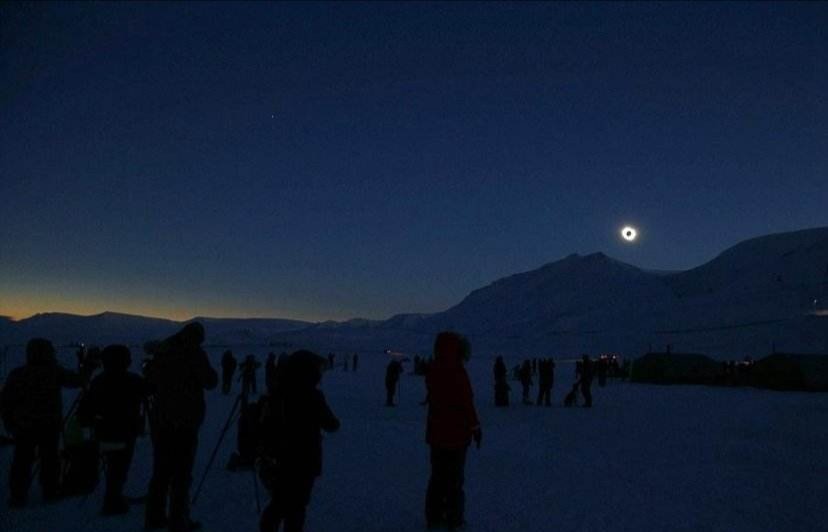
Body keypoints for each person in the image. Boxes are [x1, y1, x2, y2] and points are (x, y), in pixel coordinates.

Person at [144, 322, 217, 532]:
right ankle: (178, 522)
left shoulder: (163, 351)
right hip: (185, 421)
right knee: (182, 474)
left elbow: (150, 379)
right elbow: (210, 381)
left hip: (162, 420)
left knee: (161, 472)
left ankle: (154, 518)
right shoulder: (194, 354)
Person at [259, 350, 340, 532]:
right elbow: (331, 424)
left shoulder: (278, 392)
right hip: (304, 460)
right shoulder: (312, 396)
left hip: (280, 458)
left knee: (278, 503)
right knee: (296, 507)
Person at [1, 338, 84, 507]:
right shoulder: (54, 372)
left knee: (22, 461)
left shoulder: (18, 374)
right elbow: (77, 381)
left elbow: (5, 402)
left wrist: (10, 423)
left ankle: (17, 495)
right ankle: (50, 491)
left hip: (24, 426)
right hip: (49, 426)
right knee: (50, 460)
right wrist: (88, 366)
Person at [77, 344, 148, 515]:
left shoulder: (98, 381)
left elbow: (84, 412)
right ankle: (112, 502)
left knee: (113, 465)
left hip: (104, 432)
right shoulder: (134, 380)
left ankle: (113, 497)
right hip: (126, 432)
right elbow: (151, 390)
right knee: (119, 467)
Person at [425, 332, 481, 530]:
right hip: (457, 437)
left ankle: (434, 516)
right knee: (455, 481)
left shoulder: (433, 370)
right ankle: (454, 519)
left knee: (437, 477)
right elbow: (467, 404)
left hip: (436, 435)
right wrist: (475, 427)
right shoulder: (458, 373)